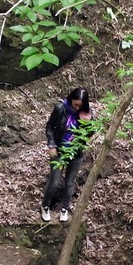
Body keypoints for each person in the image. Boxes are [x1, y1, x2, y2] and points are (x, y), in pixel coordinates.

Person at [40, 87, 92, 222]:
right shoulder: (60, 108)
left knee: (70, 182)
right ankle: (45, 206)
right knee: (55, 181)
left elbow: (89, 134)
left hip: (76, 152)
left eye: (80, 106)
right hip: (59, 150)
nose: (77, 108)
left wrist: (87, 123)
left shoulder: (86, 113)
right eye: (75, 104)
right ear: (71, 99)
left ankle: (65, 208)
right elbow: (50, 127)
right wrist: (51, 145)